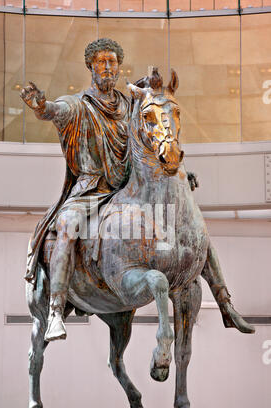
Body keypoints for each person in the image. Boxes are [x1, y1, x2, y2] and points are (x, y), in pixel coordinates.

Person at [21, 38, 254, 342]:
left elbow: (154, 138)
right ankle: (55, 310)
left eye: (112, 62)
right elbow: (54, 111)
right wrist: (41, 105)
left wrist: (180, 170)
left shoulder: (132, 105)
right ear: (91, 66)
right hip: (92, 189)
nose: (107, 67)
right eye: (101, 62)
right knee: (66, 225)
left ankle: (224, 301)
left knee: (189, 227)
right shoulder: (79, 105)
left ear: (118, 66)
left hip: (131, 187)